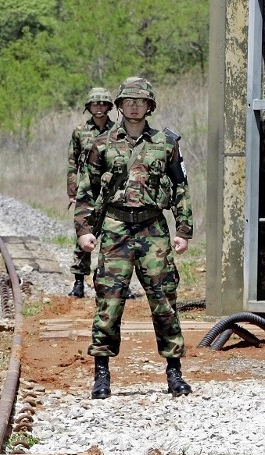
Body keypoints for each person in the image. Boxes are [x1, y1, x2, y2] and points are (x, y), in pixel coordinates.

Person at [74, 76, 193, 399]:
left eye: (141, 101)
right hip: (115, 228)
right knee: (109, 303)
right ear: (120, 105)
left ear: (150, 106)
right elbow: (87, 189)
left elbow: (180, 187)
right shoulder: (101, 144)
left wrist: (183, 229)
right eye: (129, 101)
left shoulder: (166, 142)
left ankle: (174, 372)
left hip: (153, 228)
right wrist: (85, 231)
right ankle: (101, 374)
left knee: (164, 300)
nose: (135, 106)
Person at [66, 87, 116, 298]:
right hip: (87, 190)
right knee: (83, 233)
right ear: (89, 107)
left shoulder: (117, 131)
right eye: (95, 104)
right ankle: (78, 282)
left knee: (114, 236)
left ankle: (114, 281)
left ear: (109, 107)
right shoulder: (80, 131)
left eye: (103, 103)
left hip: (111, 190)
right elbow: (72, 163)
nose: (99, 107)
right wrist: (72, 191)